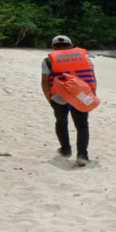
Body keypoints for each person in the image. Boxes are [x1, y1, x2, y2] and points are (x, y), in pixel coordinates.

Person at [41, 35, 96, 167]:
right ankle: (82, 155)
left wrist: (49, 98)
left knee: (61, 122)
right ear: (71, 46)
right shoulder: (85, 57)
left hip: (59, 96)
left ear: (53, 47)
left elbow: (44, 83)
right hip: (80, 95)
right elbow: (92, 78)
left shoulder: (48, 60)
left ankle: (65, 150)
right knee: (82, 125)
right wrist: (92, 96)